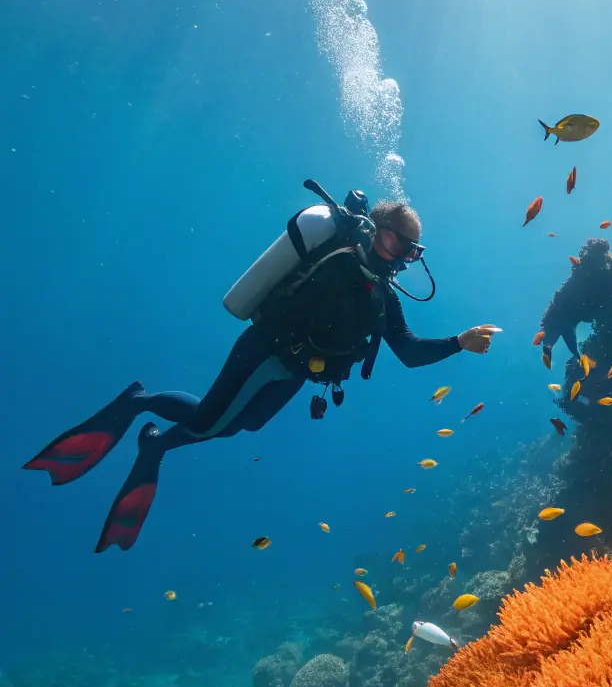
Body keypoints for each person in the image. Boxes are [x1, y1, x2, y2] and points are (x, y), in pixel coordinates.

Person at [25, 194, 499, 552]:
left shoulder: (384, 296)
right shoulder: (337, 264)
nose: (400, 256)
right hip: (266, 351)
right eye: (397, 241)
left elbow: (409, 353)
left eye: (411, 251)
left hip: (297, 371)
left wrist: (458, 343)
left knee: (240, 426)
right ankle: (139, 404)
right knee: (213, 423)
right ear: (374, 230)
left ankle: (155, 443)